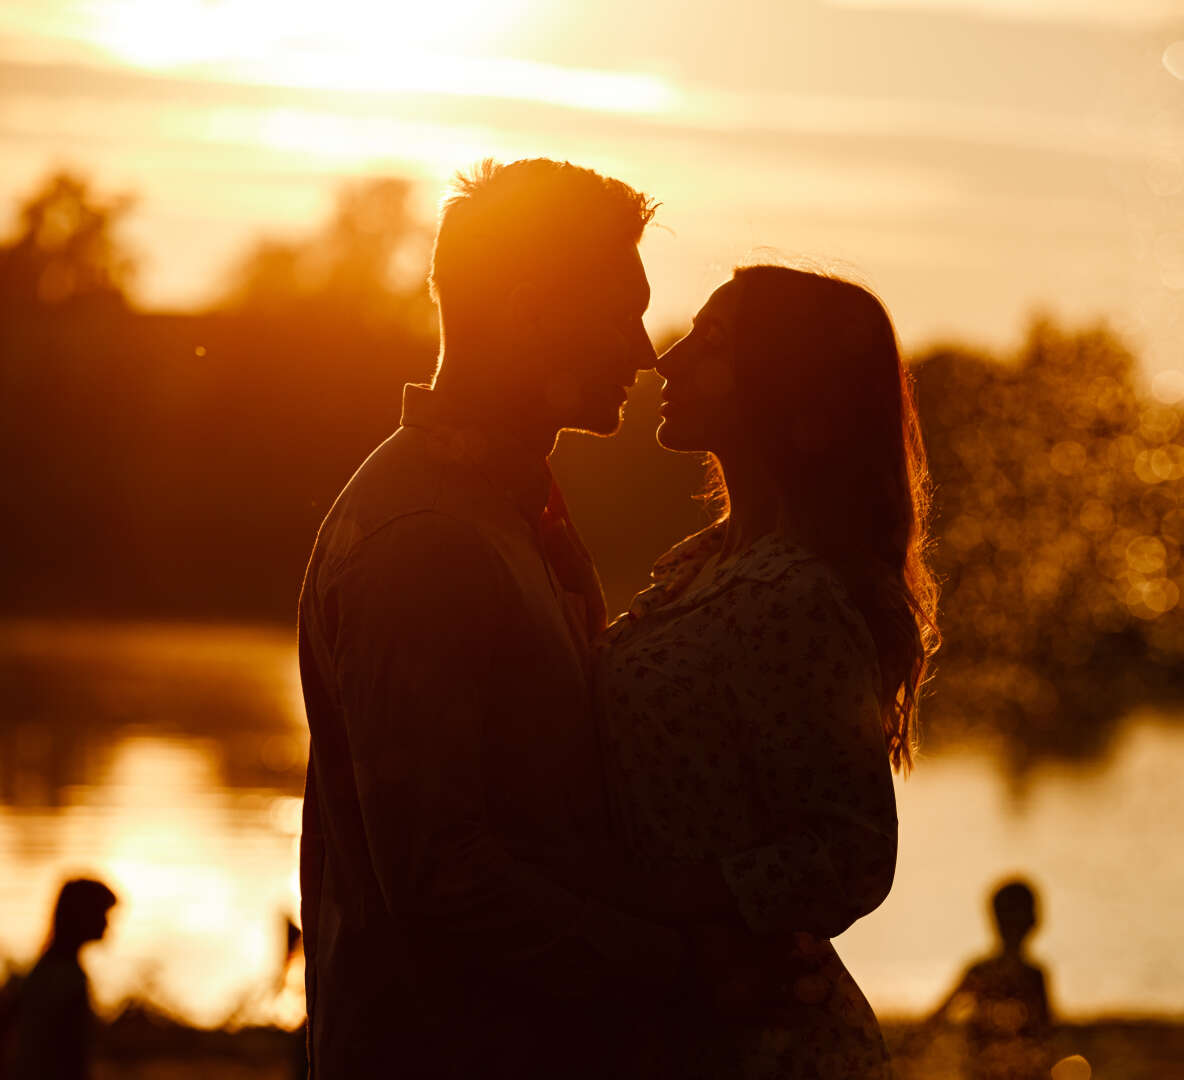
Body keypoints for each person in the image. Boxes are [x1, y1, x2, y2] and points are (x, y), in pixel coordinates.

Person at [296, 158, 680, 1079]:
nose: (644, 349)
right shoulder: (426, 538)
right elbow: (442, 877)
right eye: (619, 308)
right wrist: (679, 964)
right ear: (528, 307)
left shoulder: (503, 505)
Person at [584, 265, 941, 1077]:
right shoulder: (706, 563)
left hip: (763, 1045)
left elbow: (852, 851)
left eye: (710, 343)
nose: (666, 363)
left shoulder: (796, 593)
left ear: (785, 382)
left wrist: (662, 901)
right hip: (684, 1021)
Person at [927, 880, 1052, 1080]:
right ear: (1033, 922)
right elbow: (1046, 1036)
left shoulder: (982, 971)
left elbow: (937, 1020)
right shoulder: (1033, 976)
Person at [8, 877, 117, 1080]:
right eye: (102, 913)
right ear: (82, 916)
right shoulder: (69, 978)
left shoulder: (44, 970)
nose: (107, 923)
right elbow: (71, 1057)